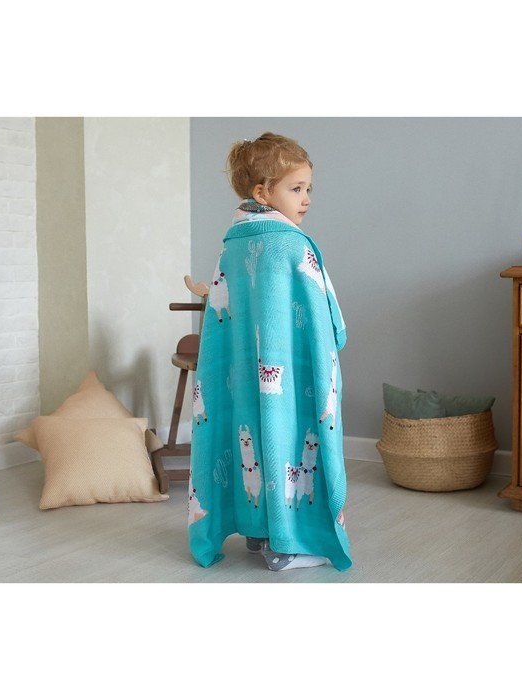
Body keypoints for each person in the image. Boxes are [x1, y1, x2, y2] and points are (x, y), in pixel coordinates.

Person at [188, 132, 352, 572]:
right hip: (289, 375)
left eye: (309, 188)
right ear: (262, 193)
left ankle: (258, 530)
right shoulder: (292, 244)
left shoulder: (232, 245)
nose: (307, 199)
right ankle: (289, 542)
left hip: (244, 374)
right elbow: (321, 315)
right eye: (296, 189)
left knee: (251, 440)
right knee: (289, 438)